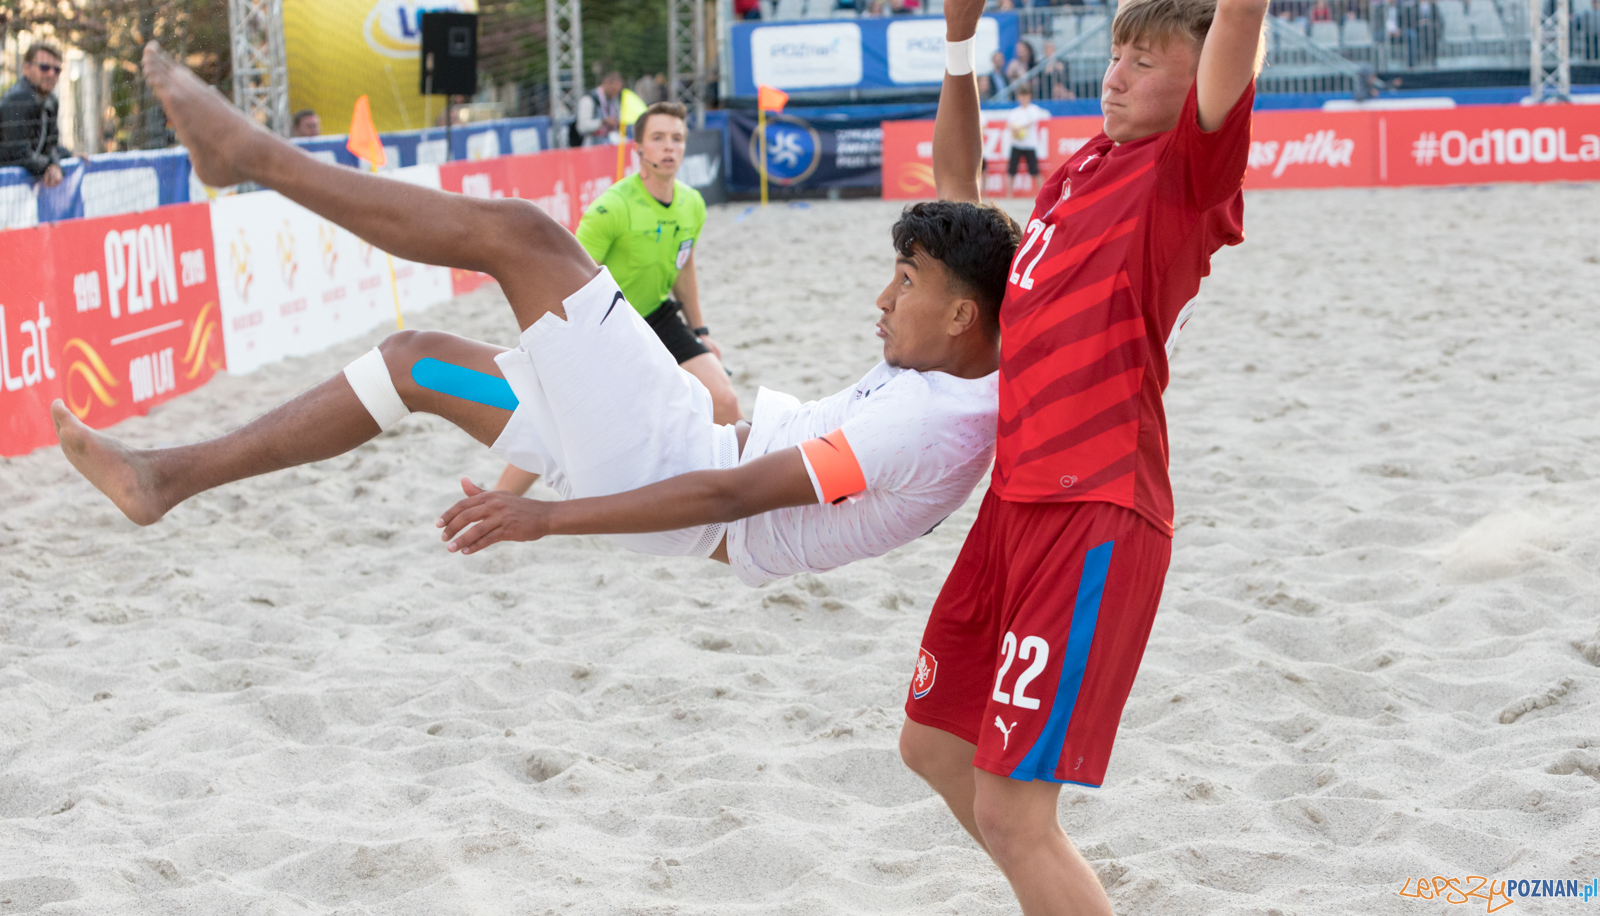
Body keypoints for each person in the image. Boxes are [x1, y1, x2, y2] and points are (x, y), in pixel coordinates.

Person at [61, 43, 1024, 589]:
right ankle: (163, 479)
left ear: (963, 314)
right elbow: (958, 184)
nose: (882, 297)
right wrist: (957, 40)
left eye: (904, 281)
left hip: (672, 459)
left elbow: (728, 498)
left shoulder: (929, 417)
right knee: (417, 363)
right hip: (651, 439)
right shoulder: (955, 353)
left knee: (520, 235)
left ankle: (254, 158)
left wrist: (545, 516)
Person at [909, 0, 1274, 903]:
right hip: (1014, 504)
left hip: (1094, 510)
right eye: (1117, 55)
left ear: (1194, 87)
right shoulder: (1084, 165)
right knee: (932, 745)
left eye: (1146, 64)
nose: (1117, 71)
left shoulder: (1181, 174)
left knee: (1013, 810)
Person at [492, 101, 743, 495]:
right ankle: (496, 499)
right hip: (608, 325)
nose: (669, 148)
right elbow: (561, 277)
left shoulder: (692, 202)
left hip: (659, 317)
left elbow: (684, 266)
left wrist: (700, 329)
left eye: (677, 139)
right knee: (561, 424)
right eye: (658, 138)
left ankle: (733, 494)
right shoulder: (612, 208)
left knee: (725, 400)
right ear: (638, 148)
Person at [1, 41, 71, 188]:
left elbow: (50, 146)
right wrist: (48, 166)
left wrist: (67, 155)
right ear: (27, 68)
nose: (51, 74)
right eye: (44, 67)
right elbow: (15, 153)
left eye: (57, 70)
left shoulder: (51, 100)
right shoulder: (18, 99)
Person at [1002, 82, 1047, 193]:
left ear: (1029, 96)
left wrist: (1018, 128)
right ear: (1018, 97)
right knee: (1011, 171)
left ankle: (1042, 193)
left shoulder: (1034, 109)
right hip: (1017, 144)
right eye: (1021, 96)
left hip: (1030, 144)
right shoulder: (1015, 112)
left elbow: (1031, 123)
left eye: (1025, 96)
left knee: (1035, 171)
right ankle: (1009, 195)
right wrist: (1015, 130)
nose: (1023, 98)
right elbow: (1009, 125)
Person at [574, 70, 622, 147]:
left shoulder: (614, 100)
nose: (615, 94)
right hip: (592, 147)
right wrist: (602, 122)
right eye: (613, 90)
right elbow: (581, 127)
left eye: (617, 91)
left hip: (609, 145)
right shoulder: (589, 99)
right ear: (605, 83)